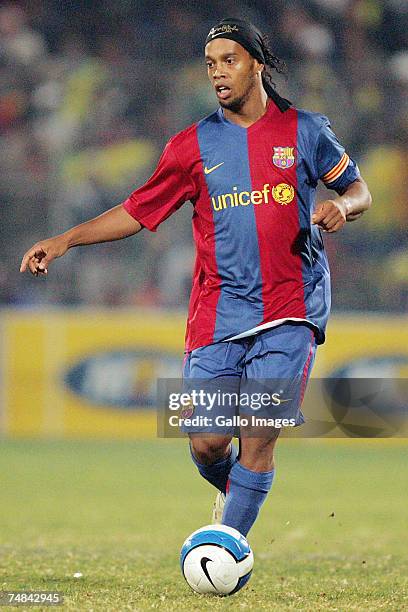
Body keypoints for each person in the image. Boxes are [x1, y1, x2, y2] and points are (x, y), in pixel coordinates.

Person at [20, 18, 371, 538]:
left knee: (258, 434)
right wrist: (65, 239)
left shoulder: (307, 130)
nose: (218, 73)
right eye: (211, 65)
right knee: (207, 442)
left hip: (291, 308)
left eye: (229, 61)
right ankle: (235, 496)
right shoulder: (192, 146)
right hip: (218, 312)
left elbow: (361, 189)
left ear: (257, 64)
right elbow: (137, 212)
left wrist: (343, 204)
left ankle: (227, 549)